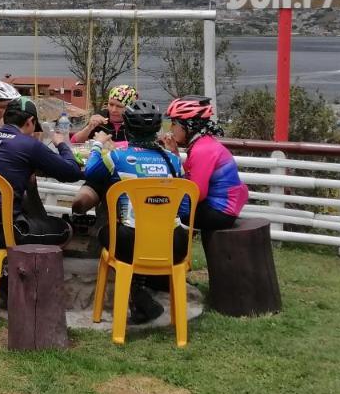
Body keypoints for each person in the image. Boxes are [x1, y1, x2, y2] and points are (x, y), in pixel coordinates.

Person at [72, 99, 191, 323]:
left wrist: (98, 144)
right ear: (158, 129)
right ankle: (140, 294)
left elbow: (90, 172)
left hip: (132, 242)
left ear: (126, 128)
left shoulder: (117, 157)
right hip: (174, 244)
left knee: (108, 232)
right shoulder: (174, 161)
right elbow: (184, 209)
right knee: (142, 236)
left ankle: (137, 294)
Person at [0, 97, 84, 249]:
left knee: (34, 215)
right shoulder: (29, 145)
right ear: (30, 121)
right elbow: (72, 173)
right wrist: (61, 144)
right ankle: (25, 270)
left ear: (5, 117)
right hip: (7, 231)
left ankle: (4, 267)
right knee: (65, 229)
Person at [163, 96, 248, 234]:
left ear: (189, 125)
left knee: (161, 210)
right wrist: (174, 153)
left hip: (219, 212)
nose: (170, 128)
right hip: (220, 209)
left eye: (174, 123)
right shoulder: (203, 143)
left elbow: (197, 193)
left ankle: (169, 252)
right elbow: (188, 176)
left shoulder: (202, 150)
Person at [72, 84, 138, 144]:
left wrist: (114, 145)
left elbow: (142, 146)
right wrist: (89, 127)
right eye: (111, 104)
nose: (113, 110)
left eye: (119, 106)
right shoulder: (100, 116)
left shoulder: (137, 122)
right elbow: (75, 141)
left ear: (130, 108)